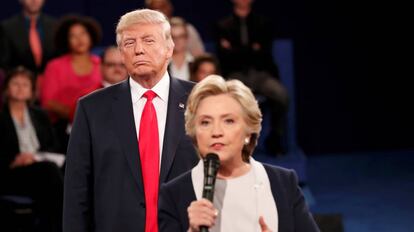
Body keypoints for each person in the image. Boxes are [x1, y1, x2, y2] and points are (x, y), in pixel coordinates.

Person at [63, 9, 199, 232]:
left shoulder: (202, 101)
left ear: (169, 48)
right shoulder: (92, 109)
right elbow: (76, 191)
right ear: (121, 53)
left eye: (148, 40)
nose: (138, 49)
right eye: (129, 43)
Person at [159, 75, 319, 232]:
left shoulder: (283, 183)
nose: (216, 132)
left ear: (248, 132)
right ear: (194, 133)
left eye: (228, 121)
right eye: (205, 122)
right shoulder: (173, 194)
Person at [216, 0, 289, 154]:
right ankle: (239, 145)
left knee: (281, 95)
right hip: (235, 75)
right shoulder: (222, 25)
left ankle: (274, 139)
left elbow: (264, 54)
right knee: (234, 100)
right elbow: (225, 58)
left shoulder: (264, 23)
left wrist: (235, 49)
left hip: (261, 73)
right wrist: (252, 49)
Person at [0, 66, 63, 232]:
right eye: (15, 84)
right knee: (50, 173)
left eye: (25, 85)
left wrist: (35, 157)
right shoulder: (1, 116)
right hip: (12, 171)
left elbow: (54, 146)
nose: (20, 88)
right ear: (6, 89)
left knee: (56, 172)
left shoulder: (40, 115)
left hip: (41, 167)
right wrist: (15, 160)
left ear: (32, 91)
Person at [40, 15, 102, 152]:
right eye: (73, 36)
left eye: (83, 34)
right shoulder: (55, 66)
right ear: (66, 40)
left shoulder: (101, 64)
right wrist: (78, 116)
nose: (79, 39)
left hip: (100, 125)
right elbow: (48, 102)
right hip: (64, 129)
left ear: (91, 35)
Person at [0, 0, 56, 75]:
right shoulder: (7, 27)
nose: (34, 1)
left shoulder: (55, 26)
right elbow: (4, 64)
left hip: (51, 80)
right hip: (20, 82)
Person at [169, 17, 194, 81]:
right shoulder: (162, 64)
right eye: (173, 37)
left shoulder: (195, 63)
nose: (177, 41)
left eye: (181, 36)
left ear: (186, 38)